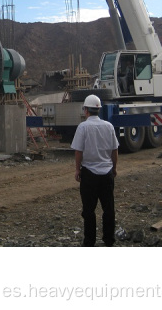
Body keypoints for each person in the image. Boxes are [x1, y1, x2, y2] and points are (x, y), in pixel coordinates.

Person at [71, 94, 119, 247]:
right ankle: (109, 240)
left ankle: (89, 242)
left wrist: (77, 170)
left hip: (89, 174)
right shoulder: (109, 126)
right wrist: (114, 168)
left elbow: (78, 151)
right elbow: (114, 150)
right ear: (99, 109)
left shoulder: (83, 127)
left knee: (89, 211)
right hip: (106, 173)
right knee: (109, 209)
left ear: (86, 110)